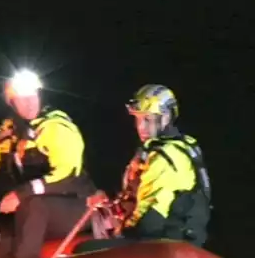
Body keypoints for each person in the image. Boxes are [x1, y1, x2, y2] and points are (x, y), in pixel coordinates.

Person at [0, 69, 97, 258]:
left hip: (77, 206)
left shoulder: (56, 127)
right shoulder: (10, 133)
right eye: (22, 98)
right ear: (12, 102)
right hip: (38, 210)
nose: (30, 102)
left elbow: (67, 175)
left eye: (33, 95)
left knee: (32, 205)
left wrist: (21, 193)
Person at [89, 83, 212, 245]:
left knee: (86, 249)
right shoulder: (163, 150)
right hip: (160, 239)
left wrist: (120, 230)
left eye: (148, 119)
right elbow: (136, 200)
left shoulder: (166, 157)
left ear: (166, 117)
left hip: (162, 242)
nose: (141, 126)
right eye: (138, 119)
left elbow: (149, 219)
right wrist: (110, 208)